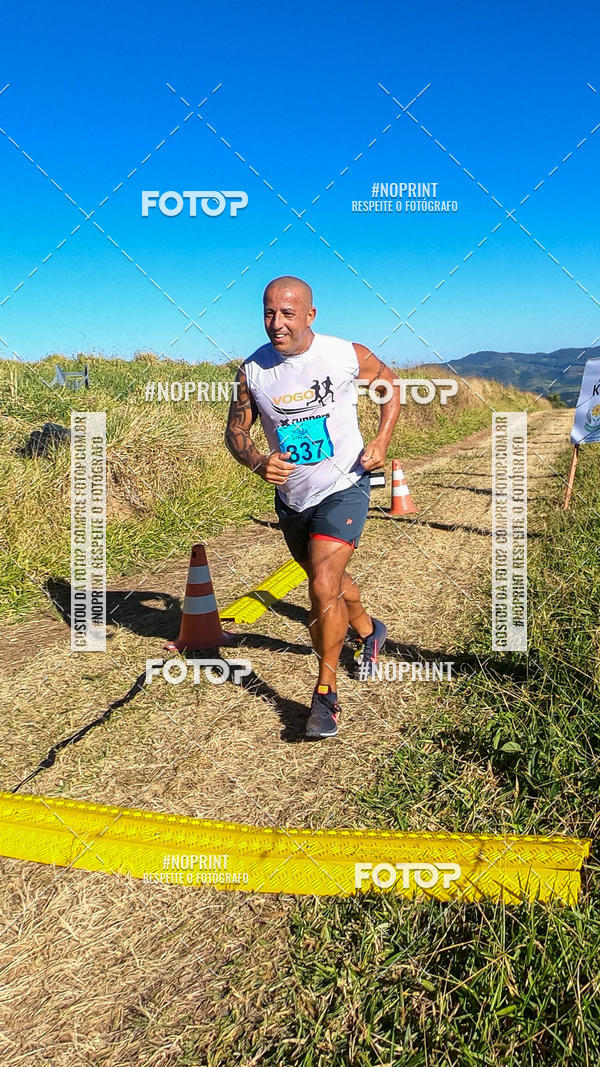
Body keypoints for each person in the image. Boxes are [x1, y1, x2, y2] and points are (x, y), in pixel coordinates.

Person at [225, 276, 401, 738]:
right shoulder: (252, 371)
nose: (276, 323)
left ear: (310, 315)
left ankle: (325, 694)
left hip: (346, 483)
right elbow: (235, 432)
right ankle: (370, 631)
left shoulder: (345, 354)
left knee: (322, 584)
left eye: (287, 313)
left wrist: (381, 440)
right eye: (268, 313)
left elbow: (390, 383)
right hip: (293, 497)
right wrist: (259, 461)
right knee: (333, 582)